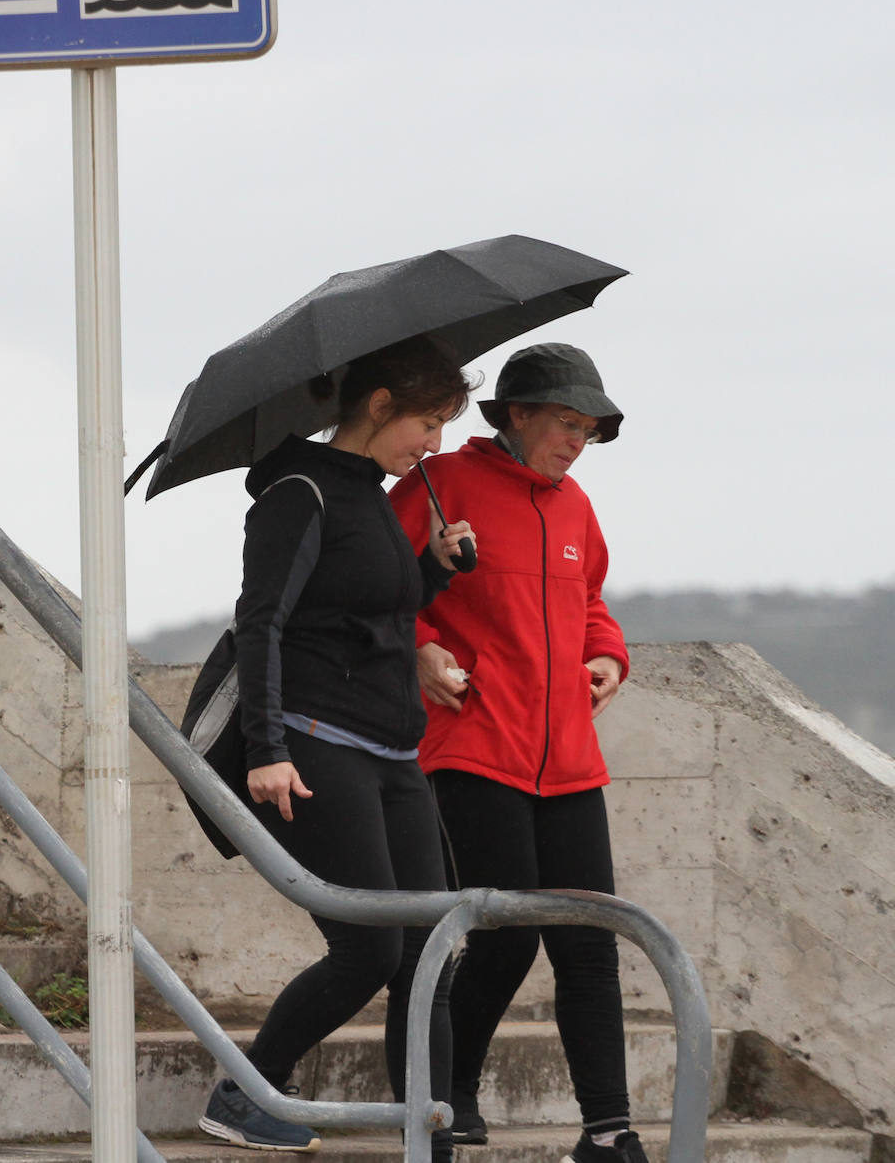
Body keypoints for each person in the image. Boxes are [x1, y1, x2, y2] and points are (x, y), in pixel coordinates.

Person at [198, 334, 477, 1159]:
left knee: (433, 946)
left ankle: (432, 1132)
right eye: (427, 422)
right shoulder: (298, 493)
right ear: (379, 405)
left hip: (393, 753)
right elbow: (264, 625)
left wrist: (435, 570)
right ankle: (248, 1091)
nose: (433, 444)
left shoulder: (372, 496)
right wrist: (266, 746)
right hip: (316, 742)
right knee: (367, 947)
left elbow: (372, 617)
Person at [388, 342, 649, 1163]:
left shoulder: (574, 508)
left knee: (587, 942)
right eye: (565, 421)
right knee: (502, 935)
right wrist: (420, 647)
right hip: (472, 744)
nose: (577, 440)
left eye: (589, 427)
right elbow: (375, 596)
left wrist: (607, 655)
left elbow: (590, 604)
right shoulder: (436, 488)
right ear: (516, 415)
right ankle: (449, 1094)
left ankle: (608, 1131)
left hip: (569, 757)